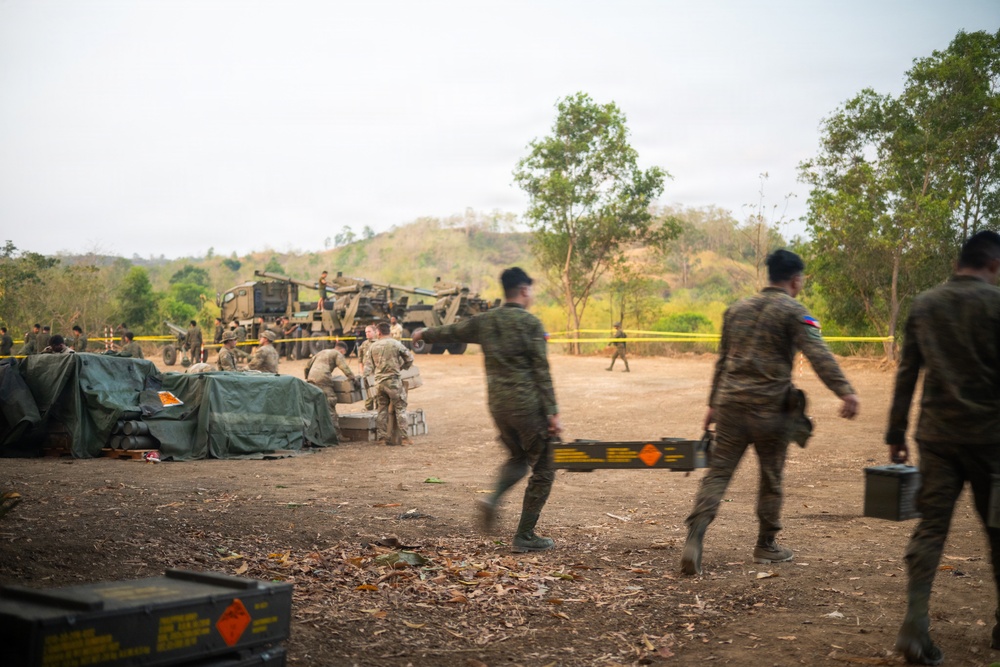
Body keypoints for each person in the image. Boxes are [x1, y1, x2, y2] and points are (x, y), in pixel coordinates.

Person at [680, 249, 859, 576]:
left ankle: (695, 537)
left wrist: (712, 405)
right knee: (771, 477)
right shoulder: (794, 311)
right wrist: (845, 391)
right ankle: (766, 545)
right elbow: (818, 354)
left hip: (731, 406)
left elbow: (722, 361)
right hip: (770, 410)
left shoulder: (736, 310)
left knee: (718, 474)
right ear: (796, 279)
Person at [885, 230, 1000, 665]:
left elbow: (907, 374)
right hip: (992, 444)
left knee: (931, 530)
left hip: (936, 441)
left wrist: (895, 434)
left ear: (959, 262)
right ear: (993, 264)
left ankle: (915, 626)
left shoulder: (925, 304)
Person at [412, 267, 561, 553]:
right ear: (524, 290)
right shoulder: (530, 323)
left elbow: (452, 331)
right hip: (527, 406)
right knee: (544, 467)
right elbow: (541, 371)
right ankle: (525, 536)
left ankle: (492, 499)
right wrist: (553, 413)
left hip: (498, 407)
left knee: (518, 457)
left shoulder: (486, 321)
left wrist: (424, 333)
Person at [367, 321, 414, 446]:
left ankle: (382, 439)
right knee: (400, 408)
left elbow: (368, 367)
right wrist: (401, 367)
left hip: (379, 383)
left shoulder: (373, 346)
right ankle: (404, 438)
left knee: (381, 410)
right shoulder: (396, 343)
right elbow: (410, 358)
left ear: (379, 332)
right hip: (393, 382)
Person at [306, 341, 356, 441]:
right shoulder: (337, 354)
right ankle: (336, 436)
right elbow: (344, 368)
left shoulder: (321, 352)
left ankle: (313, 435)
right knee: (330, 406)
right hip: (323, 381)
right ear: (342, 350)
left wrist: (308, 379)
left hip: (311, 380)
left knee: (315, 408)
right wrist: (353, 379)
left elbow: (307, 367)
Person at [357, 325, 377, 410]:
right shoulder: (364, 344)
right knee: (368, 393)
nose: (367, 334)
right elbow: (360, 359)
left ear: (375, 332)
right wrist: (362, 370)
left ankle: (378, 410)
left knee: (377, 393)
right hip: (367, 373)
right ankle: (368, 409)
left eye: (369, 331)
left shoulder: (378, 343)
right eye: (366, 332)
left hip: (376, 373)